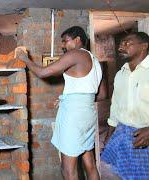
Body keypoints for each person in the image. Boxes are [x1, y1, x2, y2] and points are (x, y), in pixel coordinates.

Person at [17, 26, 105, 180]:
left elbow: (43, 72)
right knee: (89, 163)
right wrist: (73, 99)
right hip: (88, 113)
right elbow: (102, 94)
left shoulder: (75, 54)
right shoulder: (95, 60)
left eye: (65, 41)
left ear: (77, 40)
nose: (63, 45)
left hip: (74, 116)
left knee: (68, 169)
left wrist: (24, 58)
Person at [101, 32, 149, 179]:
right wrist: (110, 135)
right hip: (122, 134)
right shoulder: (121, 74)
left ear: (144, 47)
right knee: (120, 174)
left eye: (127, 43)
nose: (121, 46)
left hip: (144, 137)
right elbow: (115, 107)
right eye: (121, 43)